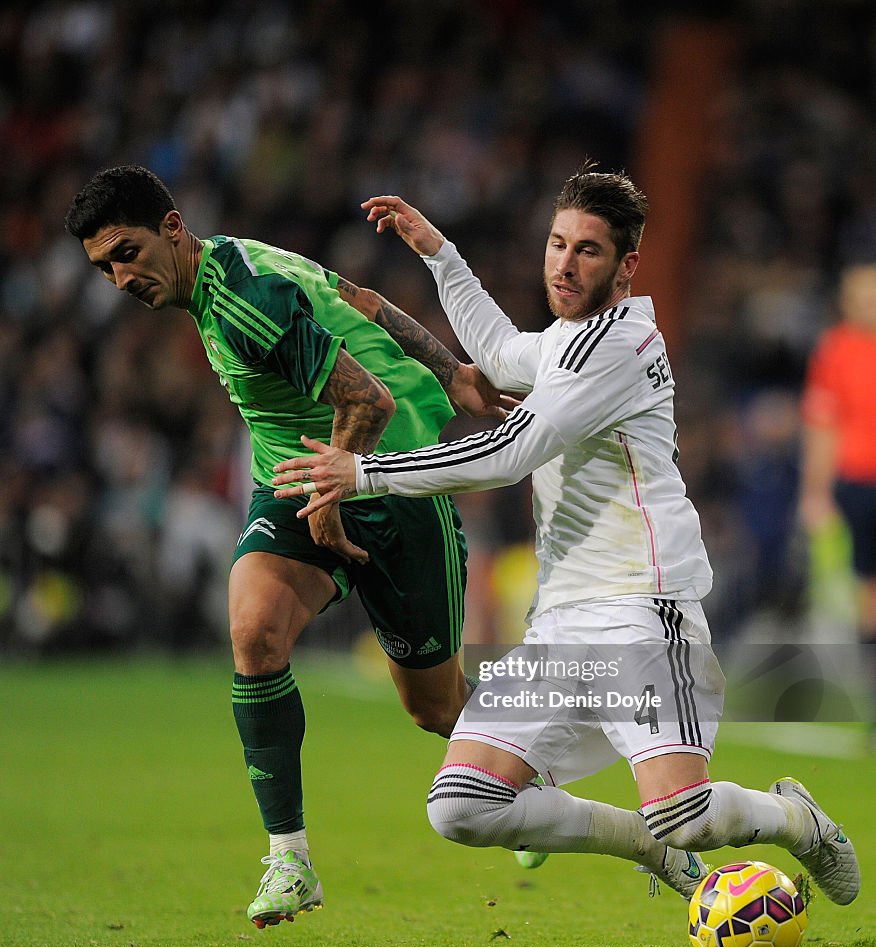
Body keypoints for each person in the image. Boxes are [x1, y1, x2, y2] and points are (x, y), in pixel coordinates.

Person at [272, 162, 861, 906]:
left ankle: (795, 817)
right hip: (560, 625)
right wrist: (440, 254)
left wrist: (364, 473)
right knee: (462, 804)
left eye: (587, 249)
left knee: (685, 812)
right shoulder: (565, 343)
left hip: (640, 613)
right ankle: (646, 847)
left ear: (626, 265)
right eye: (557, 244)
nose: (564, 263)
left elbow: (508, 452)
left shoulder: (618, 346)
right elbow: (499, 353)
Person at [64, 164, 515, 929]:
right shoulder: (235, 261)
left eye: (126, 253)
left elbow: (366, 400)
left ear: (173, 230)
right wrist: (457, 372)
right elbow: (364, 304)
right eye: (104, 266)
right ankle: (290, 857)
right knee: (254, 631)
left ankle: (528, 785)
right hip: (298, 477)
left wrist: (338, 498)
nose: (118, 278)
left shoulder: (243, 301)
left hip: (387, 483)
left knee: (436, 710)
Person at [800, 262, 876, 744]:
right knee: (868, 594)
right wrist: (814, 492)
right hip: (858, 484)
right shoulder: (837, 349)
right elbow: (821, 426)